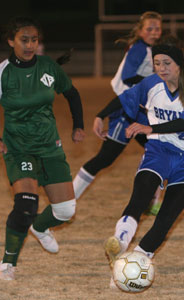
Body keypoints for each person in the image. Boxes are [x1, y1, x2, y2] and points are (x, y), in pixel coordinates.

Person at [93, 35, 184, 282]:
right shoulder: (151, 83)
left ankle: (132, 263)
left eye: (167, 63)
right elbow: (125, 98)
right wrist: (100, 115)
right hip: (159, 150)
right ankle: (120, 241)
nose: (161, 69)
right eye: (157, 63)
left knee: (165, 218)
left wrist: (151, 128)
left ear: (180, 64)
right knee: (141, 195)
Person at [0, 16, 85, 280]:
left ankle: (39, 228)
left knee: (65, 211)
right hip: (18, 147)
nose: (29, 45)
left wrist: (78, 126)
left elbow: (71, 93)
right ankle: (7, 263)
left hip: (49, 146)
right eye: (24, 40)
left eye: (34, 40)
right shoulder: (3, 71)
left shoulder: (48, 66)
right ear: (11, 41)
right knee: (26, 203)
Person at [73, 11, 163, 215]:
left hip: (139, 111)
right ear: (140, 31)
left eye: (157, 28)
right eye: (149, 28)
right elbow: (128, 77)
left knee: (159, 150)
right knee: (104, 159)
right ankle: (67, 201)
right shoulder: (139, 49)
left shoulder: (151, 49)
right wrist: (154, 83)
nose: (154, 32)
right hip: (125, 111)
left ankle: (154, 200)